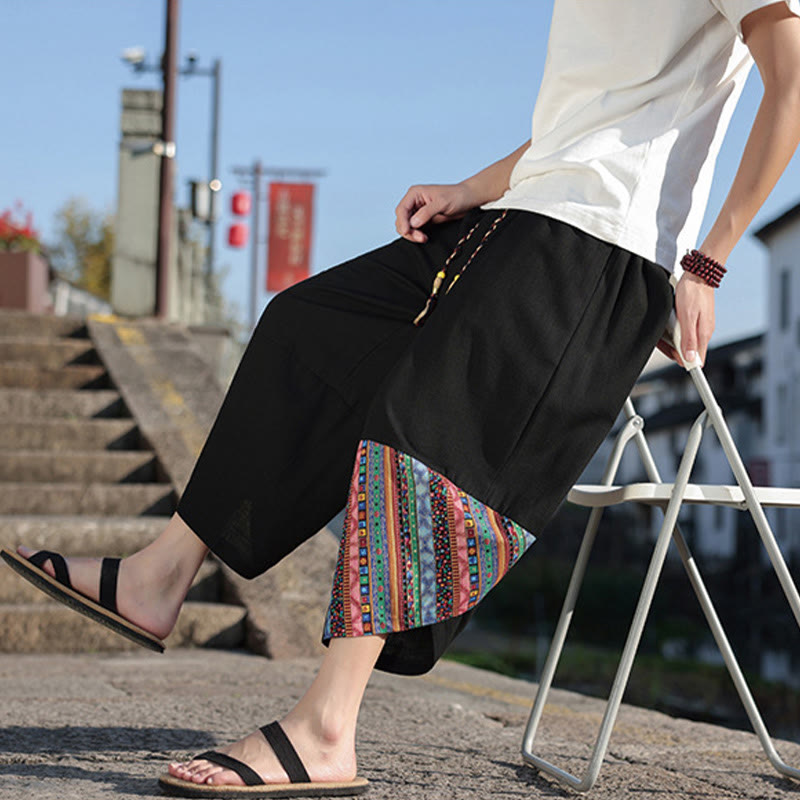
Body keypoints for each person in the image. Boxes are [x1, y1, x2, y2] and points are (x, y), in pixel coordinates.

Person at [3, 1, 800, 796]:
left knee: (424, 434)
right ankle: (159, 576)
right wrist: (474, 187)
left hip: (600, 251)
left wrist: (709, 262)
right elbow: (588, 122)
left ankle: (326, 728)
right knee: (308, 329)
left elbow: (791, 84)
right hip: (522, 213)